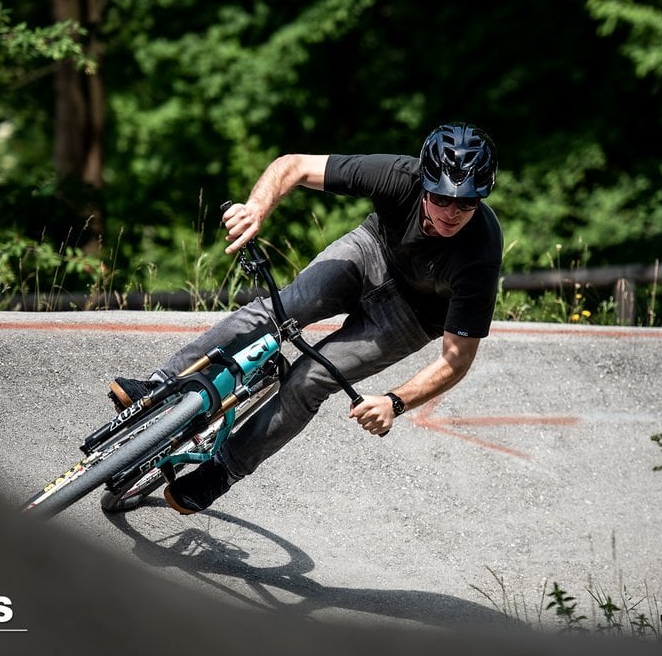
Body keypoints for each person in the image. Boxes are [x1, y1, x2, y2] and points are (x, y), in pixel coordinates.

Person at [109, 122, 503, 515]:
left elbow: (457, 358)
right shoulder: (398, 175)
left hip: (413, 316)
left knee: (309, 380)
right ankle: (160, 386)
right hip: (372, 252)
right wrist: (256, 209)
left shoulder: (480, 254)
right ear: (425, 182)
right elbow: (293, 165)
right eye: (441, 198)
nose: (452, 212)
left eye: (467, 203)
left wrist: (394, 402)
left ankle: (223, 471)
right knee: (284, 309)